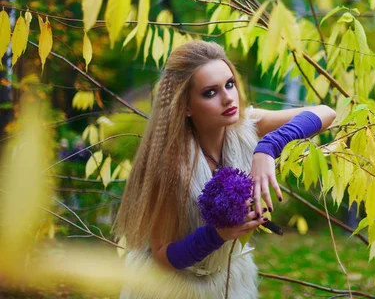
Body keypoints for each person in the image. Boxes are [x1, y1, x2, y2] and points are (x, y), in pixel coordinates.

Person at [114, 41, 336, 298]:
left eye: (229, 84)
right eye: (210, 92)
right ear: (185, 106)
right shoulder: (170, 166)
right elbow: (163, 257)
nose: (228, 97)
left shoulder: (245, 126)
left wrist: (268, 147)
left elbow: (326, 112)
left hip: (231, 279)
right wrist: (216, 235)